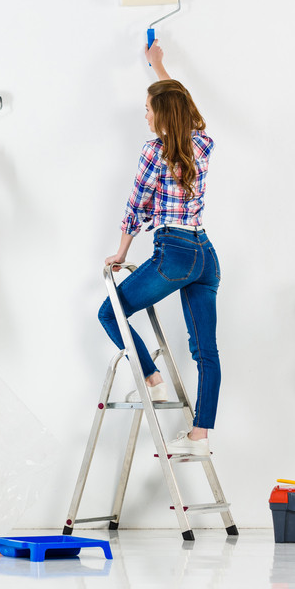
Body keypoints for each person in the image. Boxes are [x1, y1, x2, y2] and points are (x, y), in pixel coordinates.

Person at [98, 40, 221, 456]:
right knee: (207, 352)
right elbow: (184, 104)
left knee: (108, 313)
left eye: (149, 110)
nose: (145, 115)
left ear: (161, 116)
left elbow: (135, 205)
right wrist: (158, 66)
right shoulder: (201, 144)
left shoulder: (155, 152)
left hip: (174, 253)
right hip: (205, 254)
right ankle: (201, 436)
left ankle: (152, 378)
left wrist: (120, 252)